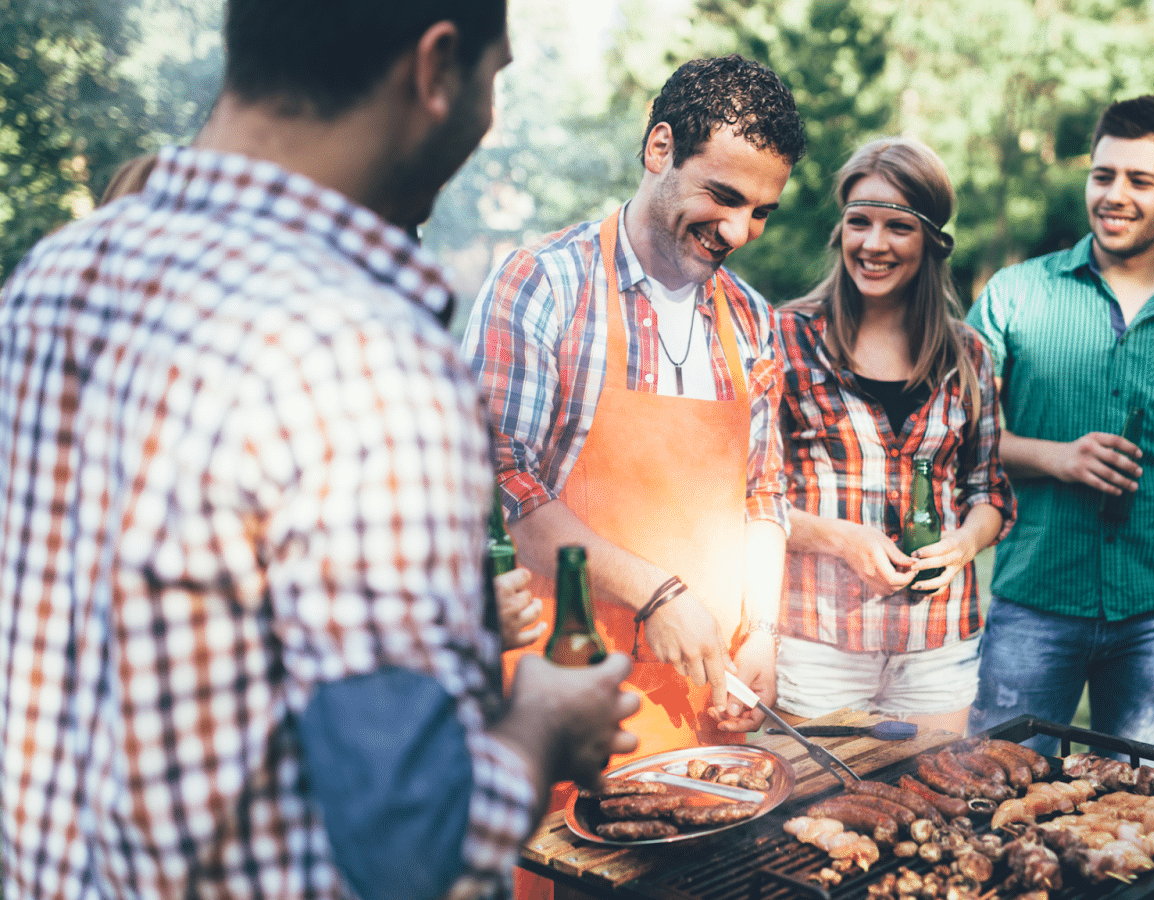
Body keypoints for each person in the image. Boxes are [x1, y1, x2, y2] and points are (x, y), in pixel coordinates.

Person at [0, 2, 639, 898]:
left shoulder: (53, 279)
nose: (486, 117)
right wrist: (541, 725)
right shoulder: (364, 354)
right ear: (435, 69)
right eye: (494, 79)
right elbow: (412, 841)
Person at [463, 54, 804, 897]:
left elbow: (766, 494)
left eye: (761, 210)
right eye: (723, 197)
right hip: (566, 693)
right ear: (660, 148)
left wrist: (758, 630)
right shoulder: (542, 286)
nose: (739, 232)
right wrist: (655, 593)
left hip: (700, 696)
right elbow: (504, 490)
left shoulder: (753, 320)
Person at [964, 95, 1154, 755]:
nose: (1115, 195)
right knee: (997, 794)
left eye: (1140, 181)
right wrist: (1055, 457)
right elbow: (956, 442)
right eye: (1104, 176)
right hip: (1037, 595)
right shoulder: (1014, 296)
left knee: (1127, 814)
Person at [773, 138, 1014, 734]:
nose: (873, 244)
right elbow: (746, 497)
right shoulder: (784, 338)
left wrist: (962, 545)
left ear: (932, 240)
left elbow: (991, 492)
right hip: (818, 637)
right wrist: (838, 538)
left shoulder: (970, 356)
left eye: (897, 226)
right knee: (818, 816)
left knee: (934, 811)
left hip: (936, 641)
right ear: (840, 231)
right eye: (859, 222)